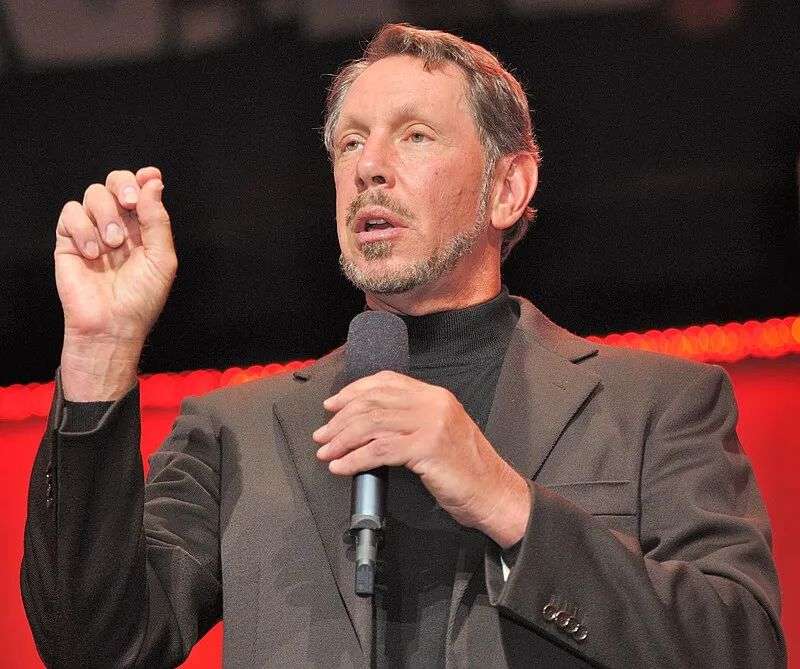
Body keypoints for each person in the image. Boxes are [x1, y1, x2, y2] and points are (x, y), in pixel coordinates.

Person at [21, 23, 785, 669]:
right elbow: (90, 645)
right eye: (351, 142)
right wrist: (99, 348)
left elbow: (742, 646)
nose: (369, 167)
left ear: (508, 188)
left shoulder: (656, 403)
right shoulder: (236, 432)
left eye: (414, 135)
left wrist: (509, 503)